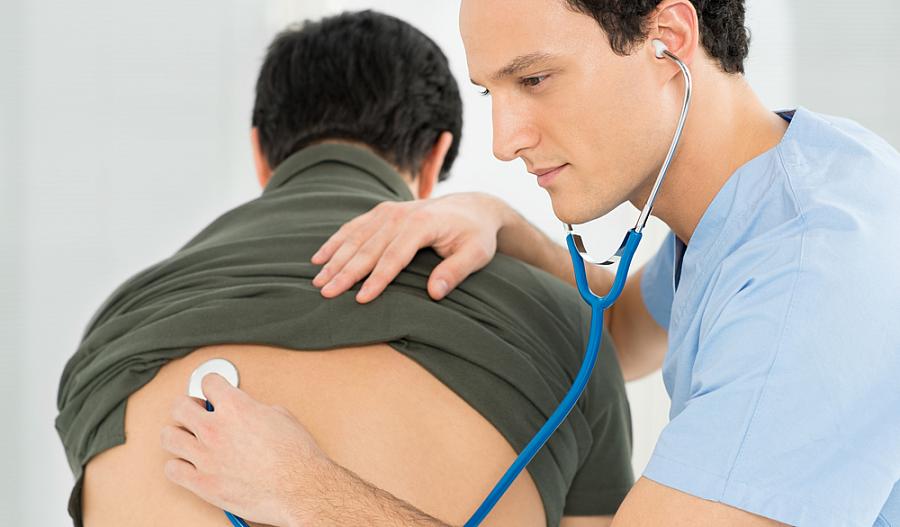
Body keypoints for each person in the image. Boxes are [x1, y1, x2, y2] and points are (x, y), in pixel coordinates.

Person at [160, 0, 900, 526]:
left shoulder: (816, 276)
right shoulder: (779, 185)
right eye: (490, 91)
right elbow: (625, 334)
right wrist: (501, 222)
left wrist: (301, 489)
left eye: (535, 79)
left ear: (669, 38)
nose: (505, 138)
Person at [55, 10, 636, 527]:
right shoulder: (567, 324)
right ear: (434, 157)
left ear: (261, 154)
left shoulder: (114, 332)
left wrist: (309, 493)